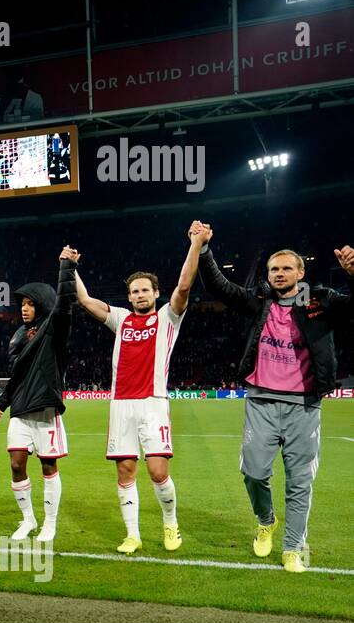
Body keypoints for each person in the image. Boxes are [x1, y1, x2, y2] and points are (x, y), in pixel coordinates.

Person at [195, 221, 354, 572]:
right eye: (273, 269)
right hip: (261, 402)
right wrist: (205, 249)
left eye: (285, 268)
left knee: (300, 481)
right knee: (253, 472)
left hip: (304, 406)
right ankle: (265, 520)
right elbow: (219, 287)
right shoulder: (259, 301)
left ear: (301, 271)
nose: (279, 274)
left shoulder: (321, 301)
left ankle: (293, 547)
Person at [74, 232, 200, 554]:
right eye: (134, 291)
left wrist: (195, 244)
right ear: (129, 297)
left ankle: (170, 522)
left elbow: (184, 287)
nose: (140, 295)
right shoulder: (121, 319)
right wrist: (68, 267)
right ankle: (133, 534)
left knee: (158, 471)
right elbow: (86, 300)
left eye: (145, 290)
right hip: (121, 405)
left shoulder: (168, 318)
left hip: (153, 404)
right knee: (125, 470)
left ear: (156, 293)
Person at [0, 247, 78, 542]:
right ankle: (28, 520)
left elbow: (65, 303)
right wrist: (1, 403)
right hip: (21, 412)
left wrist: (66, 266)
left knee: (48, 465)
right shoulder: (17, 335)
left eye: (30, 303)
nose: (24, 308)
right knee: (15, 464)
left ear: (42, 304)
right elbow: (17, 378)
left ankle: (50, 524)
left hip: (45, 410)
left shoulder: (53, 329)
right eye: (22, 304)